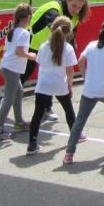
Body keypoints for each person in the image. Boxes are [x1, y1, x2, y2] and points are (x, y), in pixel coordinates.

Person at [63, 18, 104, 165]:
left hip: (89, 90)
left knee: (79, 121)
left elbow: (80, 61)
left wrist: (86, 76)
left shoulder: (91, 45)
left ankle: (69, 153)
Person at [21, 0, 88, 123]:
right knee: (24, 75)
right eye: (74, 5)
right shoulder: (54, 9)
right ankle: (9, 99)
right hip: (33, 44)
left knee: (51, 75)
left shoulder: (75, 16)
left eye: (80, 7)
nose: (76, 9)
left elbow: (71, 34)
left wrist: (70, 48)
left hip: (49, 47)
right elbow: (54, 29)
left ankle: (47, 108)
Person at [26, 16, 78, 155]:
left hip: (43, 85)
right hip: (60, 84)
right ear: (69, 33)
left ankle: (32, 143)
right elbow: (70, 70)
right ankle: (73, 139)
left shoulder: (44, 46)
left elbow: (40, 63)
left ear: (52, 29)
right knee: (69, 111)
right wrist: (70, 85)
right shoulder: (68, 48)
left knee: (37, 114)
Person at [0, 3, 36, 141]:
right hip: (12, 69)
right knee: (8, 99)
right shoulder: (24, 33)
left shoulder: (13, 30)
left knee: (19, 92)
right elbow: (20, 52)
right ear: (27, 17)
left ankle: (19, 123)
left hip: (7, 67)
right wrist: (31, 56)